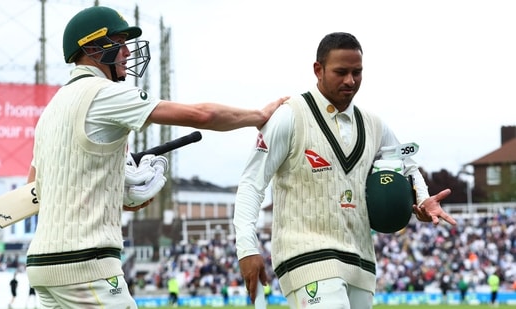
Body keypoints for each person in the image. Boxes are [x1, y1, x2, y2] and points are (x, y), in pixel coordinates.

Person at [25, 5, 286, 309]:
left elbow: (33, 190)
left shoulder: (50, 113)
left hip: (42, 266)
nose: (126, 52)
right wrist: (259, 116)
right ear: (93, 48)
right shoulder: (103, 93)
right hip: (86, 263)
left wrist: (112, 191)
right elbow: (202, 116)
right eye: (118, 43)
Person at [233, 32, 457, 309]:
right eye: (341, 72)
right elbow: (252, 183)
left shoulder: (374, 124)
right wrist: (247, 248)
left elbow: (407, 165)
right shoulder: (290, 115)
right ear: (318, 70)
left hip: (361, 262)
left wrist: (422, 199)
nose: (350, 80)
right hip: (306, 256)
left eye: (357, 72)